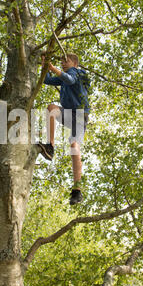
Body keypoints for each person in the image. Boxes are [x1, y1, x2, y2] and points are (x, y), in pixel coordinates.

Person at [38, 53, 90, 205]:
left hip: (80, 116)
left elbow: (70, 79)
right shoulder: (64, 76)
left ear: (74, 63)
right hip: (68, 114)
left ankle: (77, 189)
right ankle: (50, 146)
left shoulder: (77, 73)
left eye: (66, 61)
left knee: (74, 146)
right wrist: (44, 63)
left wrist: (53, 68)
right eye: (61, 61)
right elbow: (47, 80)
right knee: (51, 108)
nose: (63, 63)